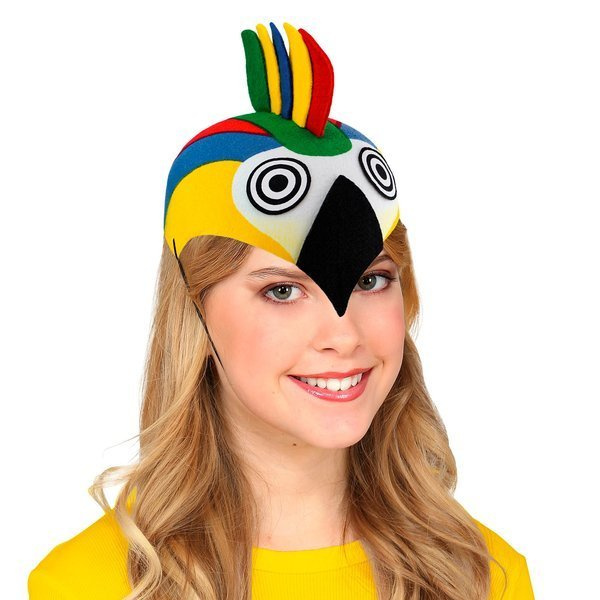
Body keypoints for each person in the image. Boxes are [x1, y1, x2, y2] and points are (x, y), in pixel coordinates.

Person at [28, 20, 535, 600]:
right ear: (195, 314)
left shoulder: (482, 578)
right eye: (283, 291)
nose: (343, 335)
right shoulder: (88, 585)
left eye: (370, 280)